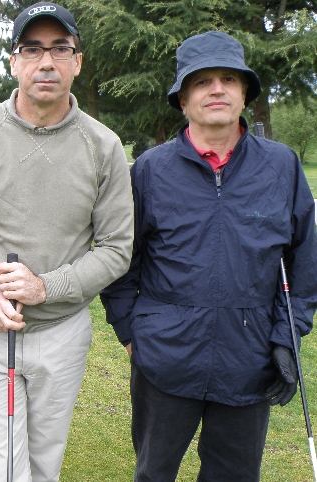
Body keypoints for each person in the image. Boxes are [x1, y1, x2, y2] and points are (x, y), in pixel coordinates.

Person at [100, 30, 317, 481]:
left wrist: (286, 337)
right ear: (182, 100)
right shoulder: (150, 170)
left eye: (228, 79)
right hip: (164, 357)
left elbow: (305, 264)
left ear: (244, 94)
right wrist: (129, 330)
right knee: (154, 472)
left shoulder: (281, 166)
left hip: (251, 358)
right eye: (201, 82)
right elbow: (121, 260)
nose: (216, 89)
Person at [0, 3, 134, 481]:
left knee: (43, 468)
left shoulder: (103, 146)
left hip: (61, 335)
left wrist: (47, 286)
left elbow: (116, 246)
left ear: (77, 62)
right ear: (14, 61)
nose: (47, 62)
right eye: (33, 49)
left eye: (60, 49)